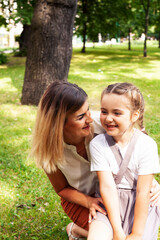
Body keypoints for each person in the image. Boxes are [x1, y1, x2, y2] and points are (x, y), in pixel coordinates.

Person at [31, 81, 160, 240]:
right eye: (80, 116)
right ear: (59, 124)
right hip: (81, 199)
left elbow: (137, 135)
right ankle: (77, 229)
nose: (90, 119)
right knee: (112, 234)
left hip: (119, 192)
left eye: (88, 111)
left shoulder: (104, 121)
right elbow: (62, 189)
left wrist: (147, 180)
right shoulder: (47, 152)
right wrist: (89, 201)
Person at [88, 82, 160, 240]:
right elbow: (107, 187)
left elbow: (142, 192)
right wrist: (117, 231)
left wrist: (136, 234)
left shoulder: (147, 145)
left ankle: (78, 231)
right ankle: (81, 231)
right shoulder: (98, 144)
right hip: (109, 206)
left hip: (140, 206)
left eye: (117, 113)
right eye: (104, 111)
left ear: (135, 115)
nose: (108, 118)